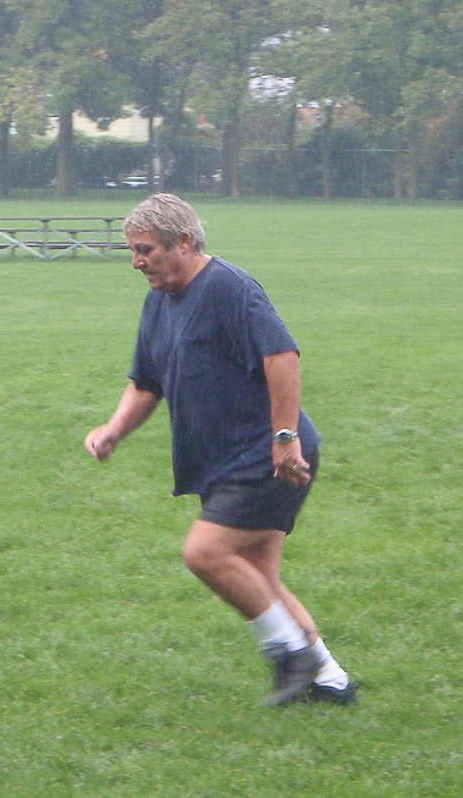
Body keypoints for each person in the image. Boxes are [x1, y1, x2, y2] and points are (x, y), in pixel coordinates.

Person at [84, 193, 354, 706]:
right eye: (132, 251)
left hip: (267, 456)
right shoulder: (159, 301)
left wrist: (284, 438)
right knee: (260, 577)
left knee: (204, 553)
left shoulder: (228, 287)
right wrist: (115, 429)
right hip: (224, 461)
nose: (136, 261)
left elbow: (282, 356)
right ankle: (331, 681)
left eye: (145, 250)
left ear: (183, 242)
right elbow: (147, 381)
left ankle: (288, 654)